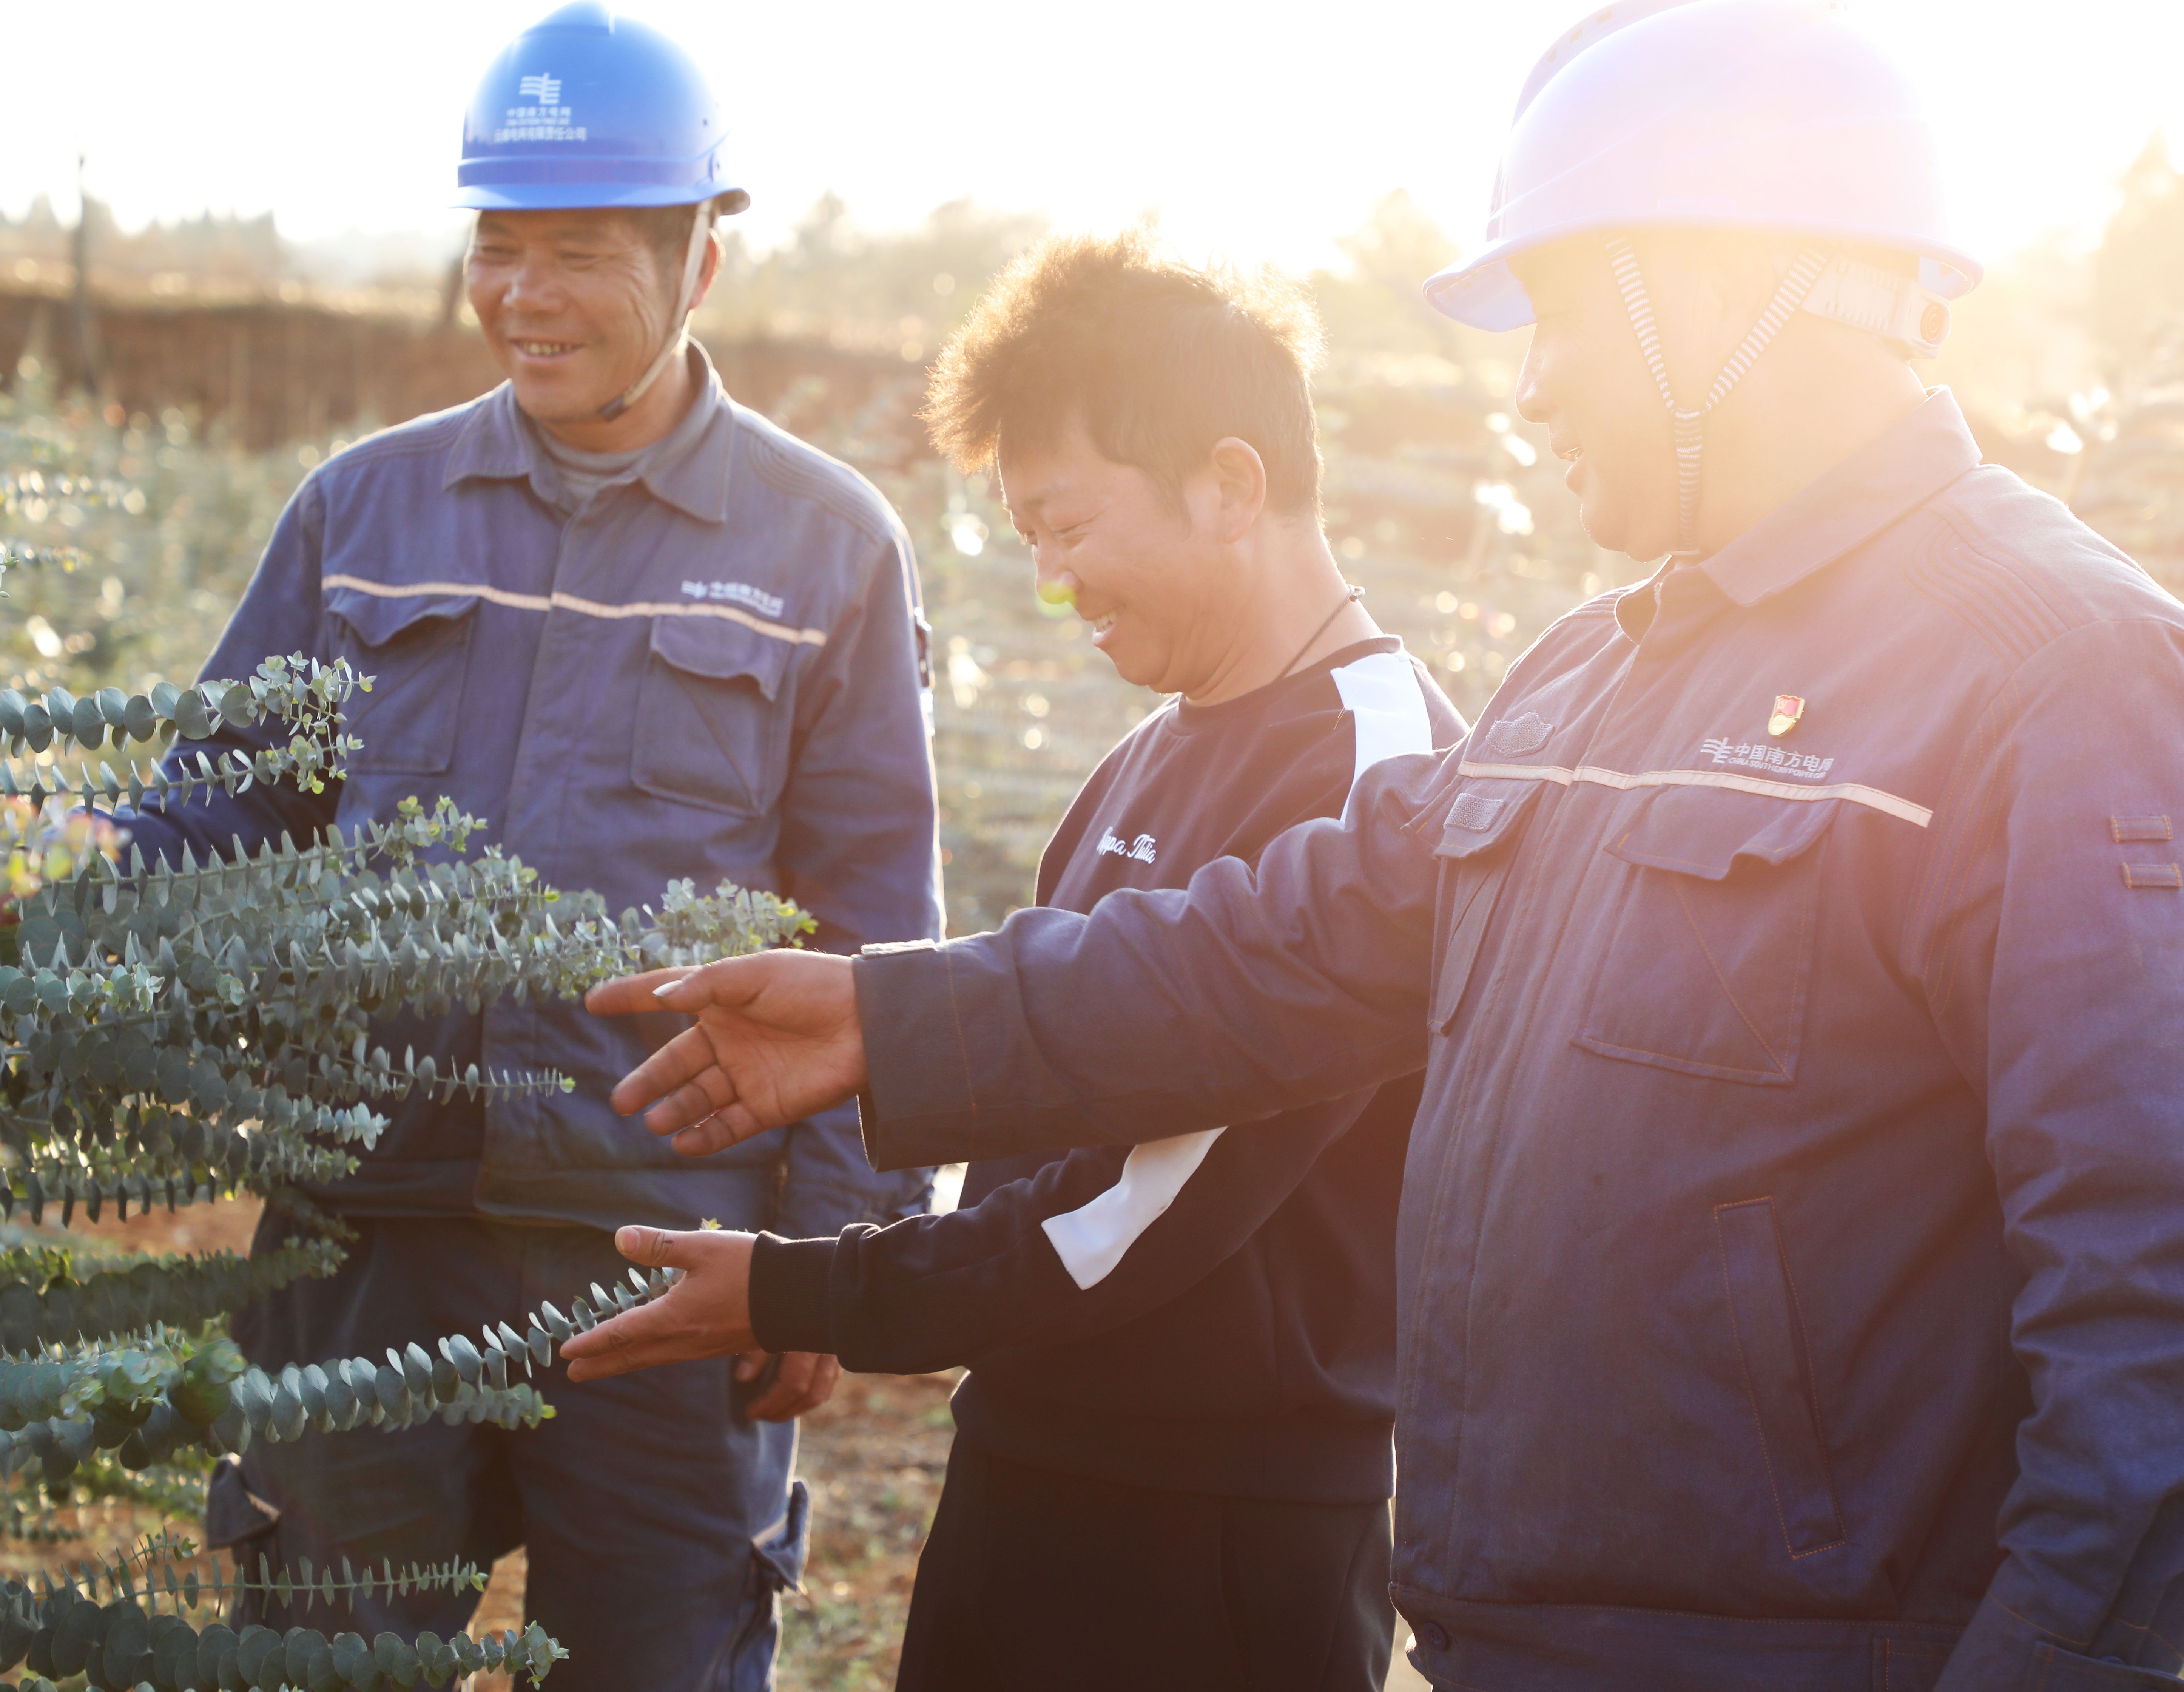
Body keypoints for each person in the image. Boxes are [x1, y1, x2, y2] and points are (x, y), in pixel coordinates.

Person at [569, 4, 2184, 1689]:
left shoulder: (2059, 678)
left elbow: (2151, 1331)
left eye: (1557, 315)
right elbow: (1288, 945)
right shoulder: (1587, 677)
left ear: (1717, 290)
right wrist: (892, 1019)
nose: (1532, 386)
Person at [54, 6, 939, 1685]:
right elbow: (224, 808)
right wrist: (64, 886)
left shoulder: (827, 546)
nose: (523, 297)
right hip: (363, 1231)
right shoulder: (364, 513)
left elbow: (876, 919)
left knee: (659, 1657)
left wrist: (828, 1260)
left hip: (659, 1259)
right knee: (316, 1658)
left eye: (580, 254)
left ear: (701, 259)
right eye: (497, 247)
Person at [560, 233, 1459, 1691]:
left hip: (1226, 1534)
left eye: (1069, 526)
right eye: (1026, 539)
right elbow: (1053, 1148)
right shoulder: (1141, 762)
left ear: (1231, 485)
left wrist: (807, 1292)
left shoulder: (1379, 773)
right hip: (1034, 1462)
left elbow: (1140, 1209)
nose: (1052, 584)